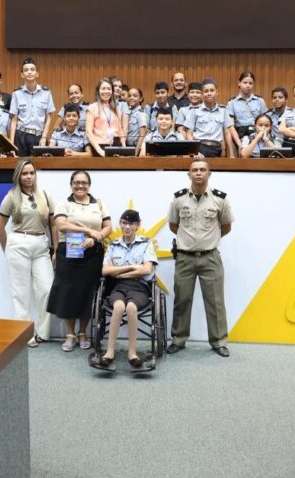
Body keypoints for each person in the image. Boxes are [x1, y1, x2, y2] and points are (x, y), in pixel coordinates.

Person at [166, 158, 234, 357]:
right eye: (194, 170)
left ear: (209, 173)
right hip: (184, 258)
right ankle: (178, 340)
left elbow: (226, 226)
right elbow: (173, 225)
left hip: (210, 257)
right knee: (182, 300)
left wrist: (208, 240)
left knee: (215, 302)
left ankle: (219, 341)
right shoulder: (179, 198)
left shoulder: (220, 199)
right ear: (189, 174)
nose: (198, 173)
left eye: (202, 170)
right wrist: (190, 241)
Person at [48, 170, 111, 352]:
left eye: (84, 183)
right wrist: (88, 231)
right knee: (69, 292)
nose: (80, 186)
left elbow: (108, 227)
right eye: (76, 182)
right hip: (69, 252)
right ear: (71, 184)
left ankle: (83, 332)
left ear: (89, 185)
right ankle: (70, 334)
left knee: (87, 292)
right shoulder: (64, 203)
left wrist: (96, 238)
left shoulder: (98, 203)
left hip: (93, 254)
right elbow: (61, 225)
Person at [0, 159, 56, 347]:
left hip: (41, 244)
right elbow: (0, 227)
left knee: (46, 289)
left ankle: (43, 332)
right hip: (18, 243)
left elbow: (53, 224)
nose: (29, 177)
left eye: (32, 173)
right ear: (18, 176)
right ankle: (24, 334)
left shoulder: (45, 195)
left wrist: (56, 248)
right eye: (25, 173)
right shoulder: (11, 197)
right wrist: (7, 250)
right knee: (20, 293)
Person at [94, 209, 158, 369]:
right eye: (124, 223)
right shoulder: (114, 245)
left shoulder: (146, 243)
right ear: (120, 224)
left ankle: (132, 353)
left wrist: (119, 271)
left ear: (137, 225)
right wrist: (132, 267)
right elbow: (105, 271)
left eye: (131, 224)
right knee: (118, 307)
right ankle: (109, 352)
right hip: (118, 286)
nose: (127, 227)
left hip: (139, 287)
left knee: (131, 308)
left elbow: (146, 270)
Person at [9, 57, 55, 157]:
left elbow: (49, 118)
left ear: (37, 73)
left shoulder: (46, 92)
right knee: (20, 164)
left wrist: (44, 137)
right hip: (20, 135)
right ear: (22, 74)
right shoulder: (17, 93)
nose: (29, 72)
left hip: (38, 136)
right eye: (26, 70)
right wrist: (11, 143)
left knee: (38, 165)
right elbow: (14, 120)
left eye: (32, 69)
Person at [183, 78, 233, 158]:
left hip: (216, 148)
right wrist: (195, 151)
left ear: (217, 92)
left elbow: (227, 133)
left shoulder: (223, 111)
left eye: (212, 90)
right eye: (206, 91)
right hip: (199, 148)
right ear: (202, 94)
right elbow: (189, 134)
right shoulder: (194, 111)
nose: (209, 93)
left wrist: (231, 154)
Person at [227, 71, 267, 152]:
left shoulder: (260, 101)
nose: (248, 85)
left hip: (257, 135)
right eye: (245, 82)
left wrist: (262, 136)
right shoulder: (232, 103)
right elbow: (231, 126)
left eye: (250, 83)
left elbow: (266, 122)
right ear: (239, 83)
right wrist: (239, 144)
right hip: (240, 135)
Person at [85, 78, 124, 156]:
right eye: (103, 88)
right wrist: (99, 150)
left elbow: (120, 130)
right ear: (98, 91)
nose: (106, 91)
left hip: (116, 145)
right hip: (100, 146)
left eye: (109, 89)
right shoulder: (92, 108)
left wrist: (124, 147)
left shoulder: (116, 109)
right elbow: (89, 132)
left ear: (112, 92)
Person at [124, 87, 148, 154]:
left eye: (135, 96)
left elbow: (142, 135)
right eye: (129, 96)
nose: (131, 98)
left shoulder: (141, 114)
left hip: (135, 147)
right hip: (127, 146)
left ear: (140, 99)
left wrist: (135, 153)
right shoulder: (128, 113)